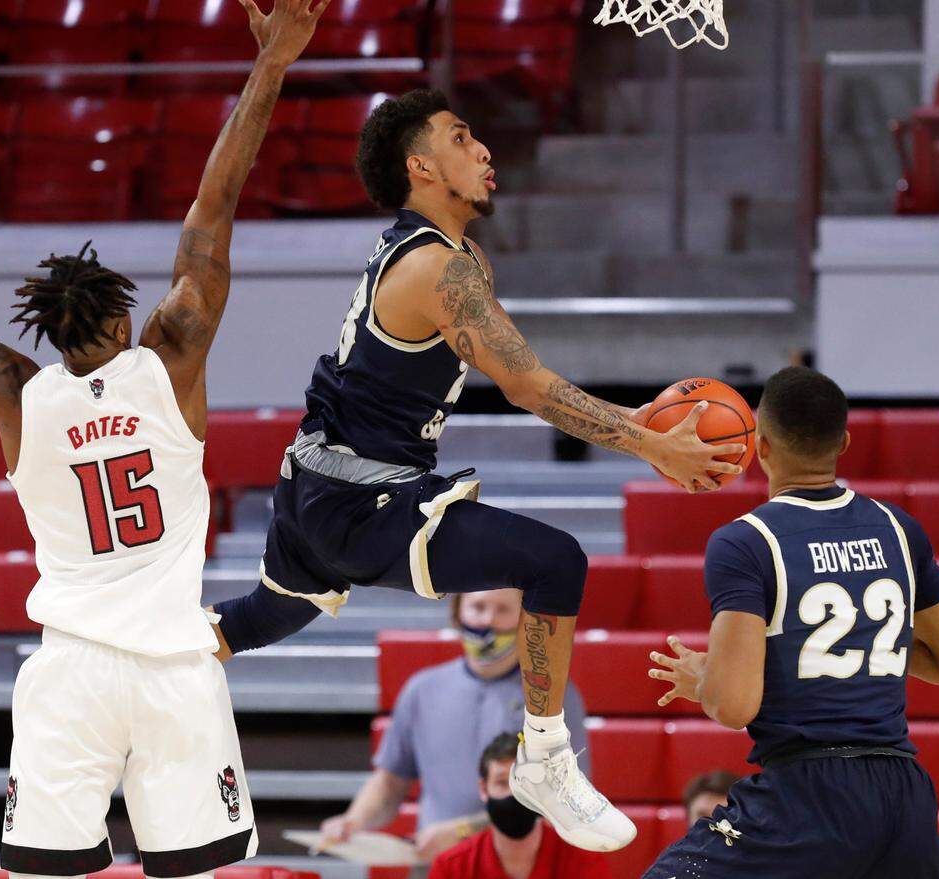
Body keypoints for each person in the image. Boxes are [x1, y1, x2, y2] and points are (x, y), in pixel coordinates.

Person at [0, 3, 329, 876]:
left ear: (50, 338)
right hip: (175, 667)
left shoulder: (14, 391)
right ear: (130, 316)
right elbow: (214, 211)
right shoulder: (170, 359)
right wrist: (272, 64)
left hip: (72, 674)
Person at [210, 89, 744, 853]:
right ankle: (545, 758)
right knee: (554, 560)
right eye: (463, 137)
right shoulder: (437, 266)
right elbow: (528, 385)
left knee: (262, 617)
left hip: (316, 478)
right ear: (422, 166)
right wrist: (649, 442)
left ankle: (145, 659)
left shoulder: (441, 255)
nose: (485, 149)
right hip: (360, 492)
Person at [644, 366, 939, 879]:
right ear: (843, 442)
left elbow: (733, 706)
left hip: (810, 797)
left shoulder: (746, 541)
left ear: (762, 445)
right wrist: (855, 657)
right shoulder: (897, 529)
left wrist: (706, 678)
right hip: (903, 795)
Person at [320, 589, 590, 862]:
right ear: (458, 612)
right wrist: (352, 822)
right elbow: (390, 783)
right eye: (479, 606)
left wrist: (463, 832)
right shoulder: (422, 690)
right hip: (436, 866)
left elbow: (563, 801)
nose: (488, 620)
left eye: (503, 609)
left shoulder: (554, 699)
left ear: (525, 619)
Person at [428, 733, 612, 879]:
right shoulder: (451, 868)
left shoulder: (583, 861)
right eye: (501, 782)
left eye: (524, 781)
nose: (514, 793)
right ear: (484, 789)